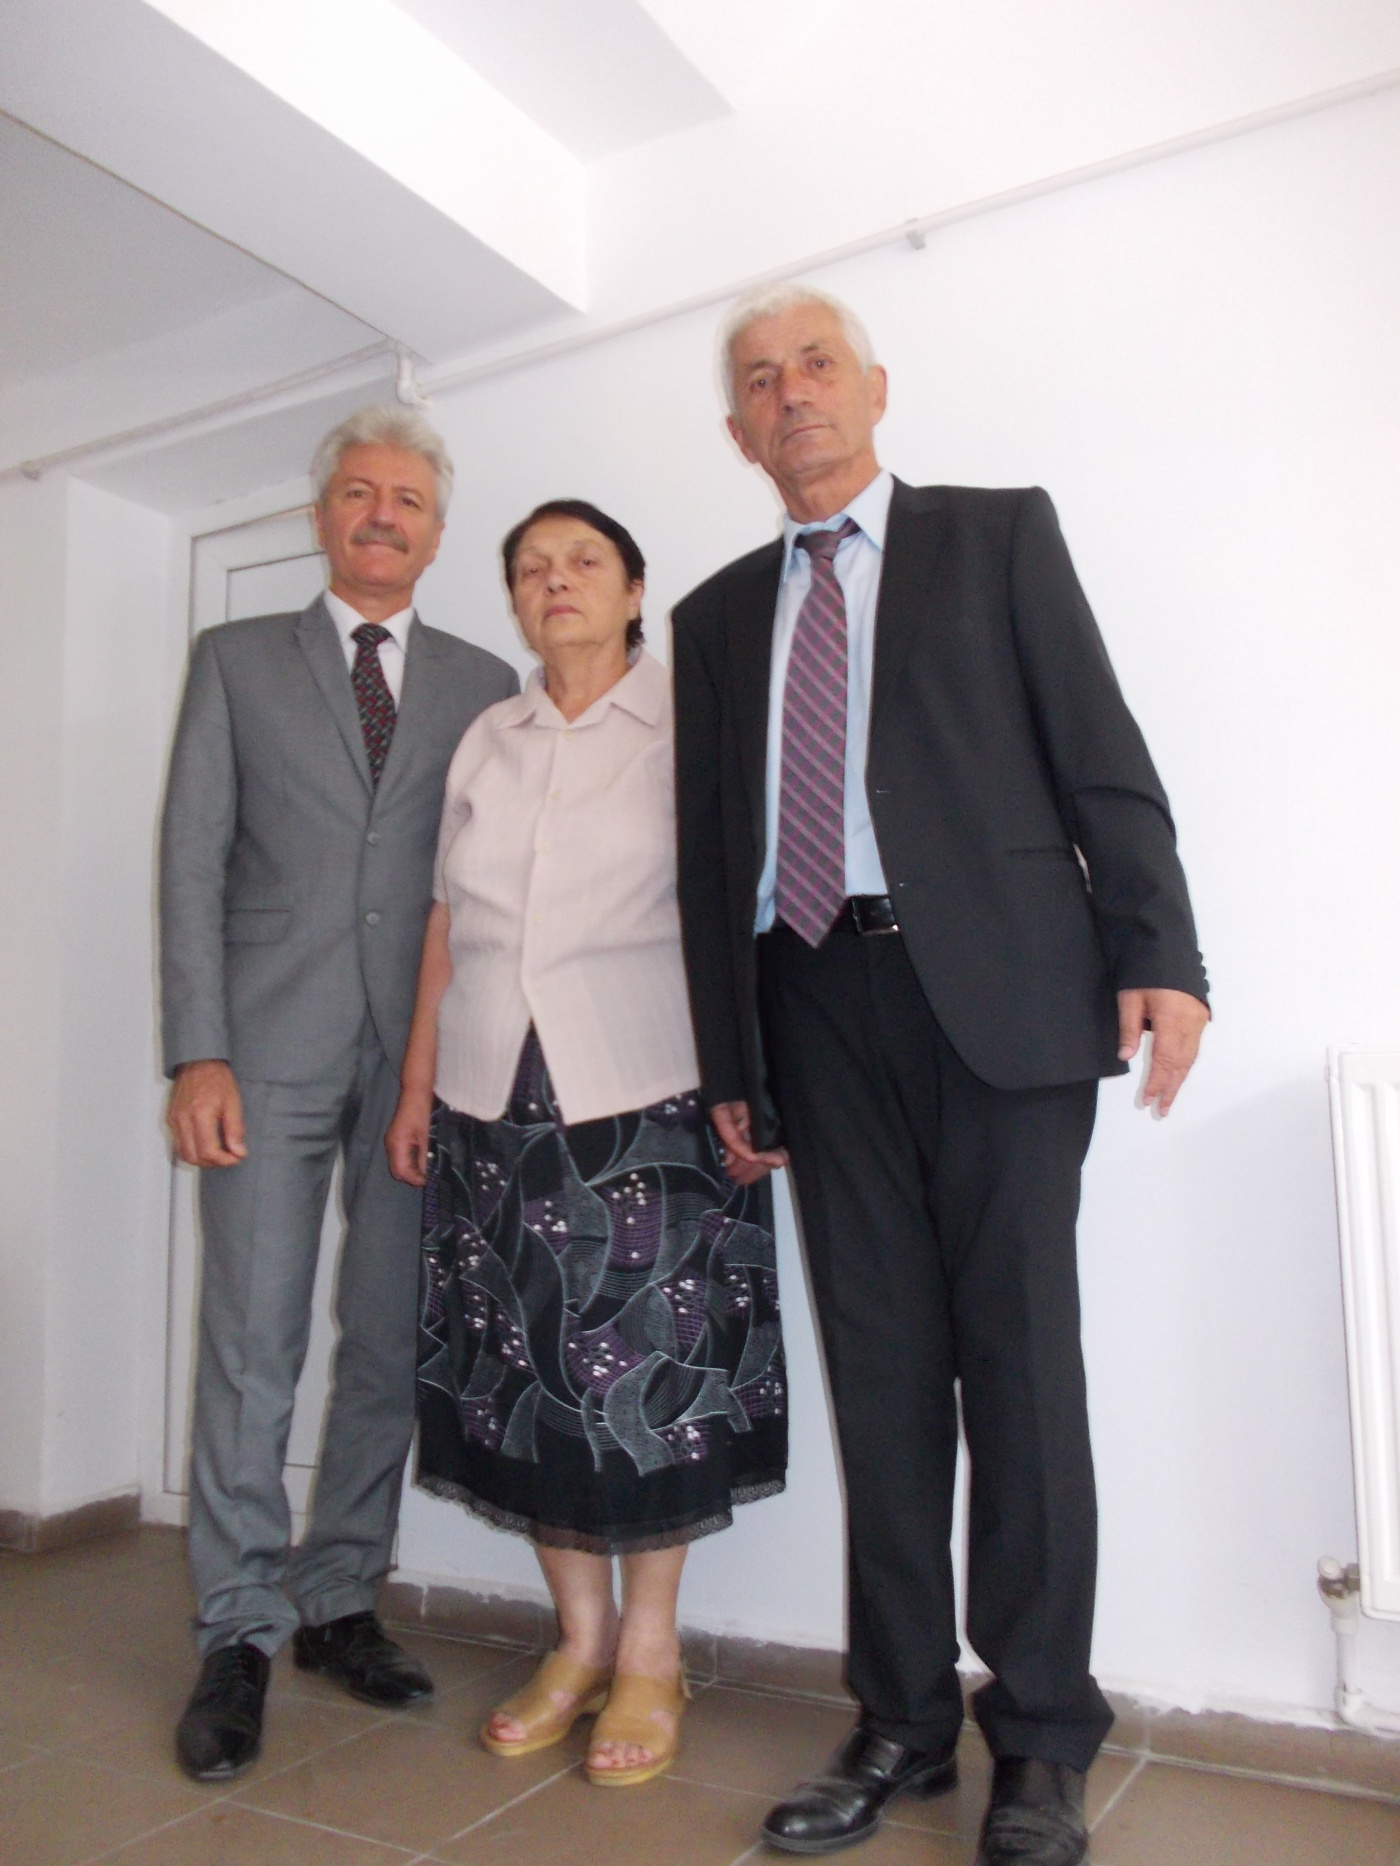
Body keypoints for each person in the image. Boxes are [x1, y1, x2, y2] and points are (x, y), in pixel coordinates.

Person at [671, 284, 1209, 1866]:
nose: (793, 394)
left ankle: (1038, 1732)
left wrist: (1163, 951)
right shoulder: (713, 617)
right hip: (812, 1003)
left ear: (876, 386)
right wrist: (732, 1055)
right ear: (737, 431)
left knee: (1022, 1369)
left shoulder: (997, 536)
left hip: (1006, 1000)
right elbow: (711, 856)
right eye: (760, 381)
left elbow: (1103, 752)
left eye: (816, 364)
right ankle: (900, 1717)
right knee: (883, 1372)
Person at [385, 499, 787, 1788]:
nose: (554, 582)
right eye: (530, 569)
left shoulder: (694, 723)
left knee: (648, 1379)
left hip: (650, 1093)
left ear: (633, 591)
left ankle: (652, 1655)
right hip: (488, 1094)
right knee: (523, 1370)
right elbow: (445, 923)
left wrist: (762, 1083)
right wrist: (417, 1084)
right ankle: (578, 1641)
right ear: (514, 601)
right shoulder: (486, 740)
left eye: (582, 562)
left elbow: (752, 910)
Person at [161, 405, 519, 1782]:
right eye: (360, 493)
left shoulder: (484, 680)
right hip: (264, 1045)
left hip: (423, 1058)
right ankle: (238, 1625)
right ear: (323, 517)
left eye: (408, 499)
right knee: (251, 1340)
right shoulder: (235, 659)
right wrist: (197, 1049)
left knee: (385, 1337)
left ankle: (339, 1594)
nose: (383, 514)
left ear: (437, 531)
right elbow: (192, 860)